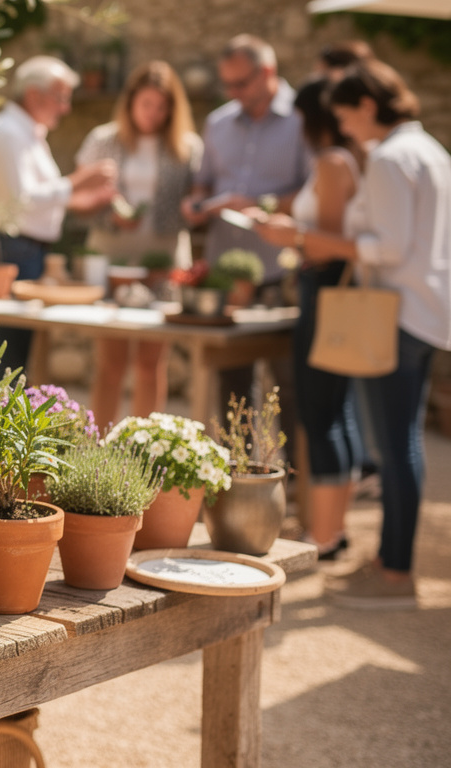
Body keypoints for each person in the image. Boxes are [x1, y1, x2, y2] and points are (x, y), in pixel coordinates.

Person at [253, 60, 451, 609]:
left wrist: (301, 235)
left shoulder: (390, 157)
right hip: (425, 310)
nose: (342, 126)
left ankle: (394, 574)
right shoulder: (430, 149)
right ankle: (391, 563)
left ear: (367, 104)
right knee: (400, 442)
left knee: (395, 446)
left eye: (345, 113)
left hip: (397, 311)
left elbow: (385, 249)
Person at [180, 34, 310, 449]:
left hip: (280, 268)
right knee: (234, 384)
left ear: (268, 72)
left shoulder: (303, 120)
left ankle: (292, 485)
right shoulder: (218, 122)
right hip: (226, 268)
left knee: (288, 382)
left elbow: (314, 193)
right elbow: (203, 181)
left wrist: (256, 204)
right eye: (228, 85)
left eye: (241, 84)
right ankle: (241, 478)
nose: (234, 93)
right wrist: (198, 202)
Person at [75, 61, 202, 428]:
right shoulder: (103, 139)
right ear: (130, 102)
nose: (154, 114)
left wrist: (193, 206)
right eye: (147, 104)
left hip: (162, 258)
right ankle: (96, 447)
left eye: (162, 107)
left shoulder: (187, 146)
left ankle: (144, 452)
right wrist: (108, 212)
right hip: (112, 256)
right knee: (111, 363)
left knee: (150, 363)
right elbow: (78, 198)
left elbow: (199, 196)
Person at [0, 55, 116, 379]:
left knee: (15, 357)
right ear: (35, 95)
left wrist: (89, 200)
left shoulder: (29, 134)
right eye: (61, 98)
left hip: (25, 249)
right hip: (9, 251)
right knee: (1, 359)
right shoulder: (9, 133)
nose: (65, 108)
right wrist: (80, 181)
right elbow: (24, 200)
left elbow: (42, 199)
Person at [278, 77, 367, 561]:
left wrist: (288, 237)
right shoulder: (338, 160)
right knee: (337, 409)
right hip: (328, 288)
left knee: (321, 411)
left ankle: (325, 534)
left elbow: (326, 243)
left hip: (327, 290)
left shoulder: (334, 162)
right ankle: (334, 528)